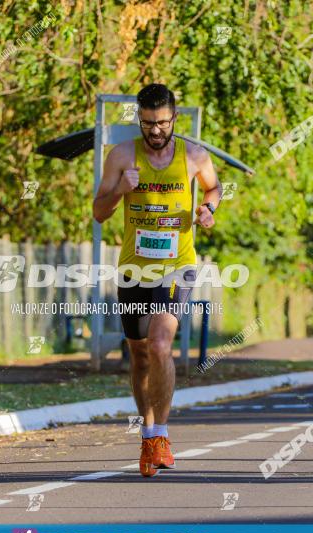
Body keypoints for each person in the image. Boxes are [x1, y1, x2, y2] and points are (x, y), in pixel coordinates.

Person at [92, 83, 222, 477]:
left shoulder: (194, 156)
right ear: (139, 119)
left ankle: (161, 435)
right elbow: (99, 212)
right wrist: (119, 190)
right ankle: (148, 434)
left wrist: (208, 209)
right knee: (140, 354)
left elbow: (214, 188)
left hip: (176, 264)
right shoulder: (121, 156)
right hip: (134, 267)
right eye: (148, 123)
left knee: (160, 343)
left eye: (162, 123)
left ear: (174, 119)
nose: (155, 131)